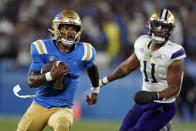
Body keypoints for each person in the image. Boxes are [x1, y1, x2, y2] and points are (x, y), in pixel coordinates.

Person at [98, 9, 186, 131]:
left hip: (164, 105)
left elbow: (174, 89)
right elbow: (125, 68)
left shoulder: (173, 52)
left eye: (164, 26)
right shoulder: (142, 43)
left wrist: (153, 95)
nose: (160, 29)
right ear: (150, 25)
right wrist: (104, 81)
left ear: (170, 30)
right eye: (157, 25)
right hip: (144, 103)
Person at [17, 10, 100, 131]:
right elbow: (31, 81)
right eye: (66, 28)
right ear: (57, 28)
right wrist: (50, 75)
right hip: (40, 105)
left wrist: (95, 90)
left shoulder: (85, 51)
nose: (70, 32)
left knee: (62, 125)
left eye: (74, 29)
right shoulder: (42, 48)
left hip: (63, 108)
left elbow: (92, 67)